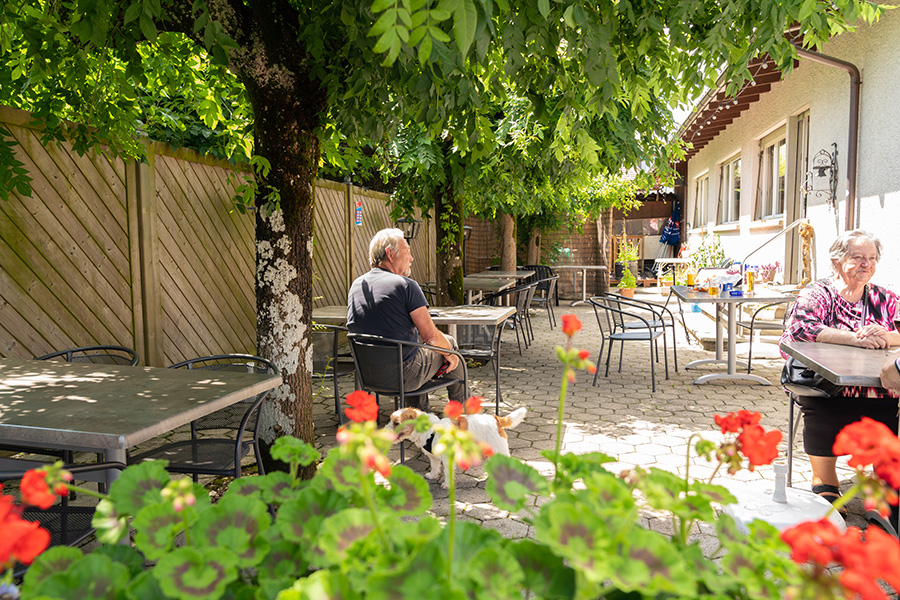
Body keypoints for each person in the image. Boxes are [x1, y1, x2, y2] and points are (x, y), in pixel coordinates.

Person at [780, 229, 900, 511]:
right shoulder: (818, 293)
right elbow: (802, 329)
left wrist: (887, 335)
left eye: (871, 258)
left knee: (892, 408)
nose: (866, 264)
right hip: (825, 382)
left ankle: (880, 480)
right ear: (837, 261)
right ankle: (825, 480)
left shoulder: (885, 298)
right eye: (857, 257)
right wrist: (856, 337)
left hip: (878, 384)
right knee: (823, 405)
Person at [347, 228, 465, 411]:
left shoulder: (357, 285)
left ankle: (419, 418)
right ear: (390, 254)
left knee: (415, 349)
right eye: (408, 251)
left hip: (367, 375)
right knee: (449, 346)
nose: (411, 258)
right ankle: (465, 417)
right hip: (403, 377)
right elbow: (431, 337)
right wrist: (451, 356)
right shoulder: (406, 286)